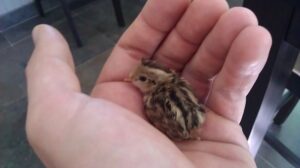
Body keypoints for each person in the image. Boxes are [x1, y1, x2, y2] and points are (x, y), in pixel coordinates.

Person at [25, 0, 272, 167]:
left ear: (153, 82)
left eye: (140, 79)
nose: (132, 80)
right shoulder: (175, 88)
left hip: (185, 129)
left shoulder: (155, 100)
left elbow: (169, 112)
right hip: (196, 125)